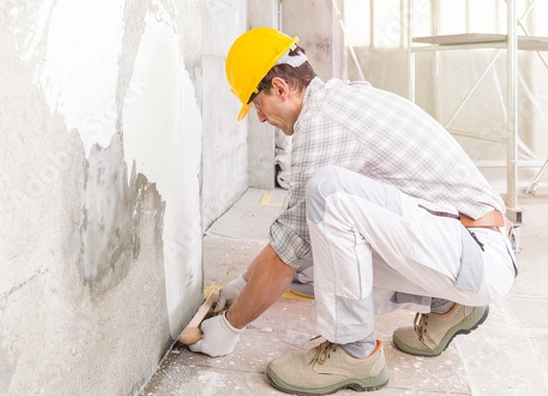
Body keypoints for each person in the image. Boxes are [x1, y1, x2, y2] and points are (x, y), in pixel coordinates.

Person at [189, 27, 518, 395]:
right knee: (310, 267)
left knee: (328, 194)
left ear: (281, 89)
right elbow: (292, 243)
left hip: (478, 257)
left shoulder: (323, 124)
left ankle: (355, 352)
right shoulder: (338, 100)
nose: (261, 118)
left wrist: (231, 326)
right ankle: (446, 305)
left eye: (257, 105)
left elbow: (285, 253)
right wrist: (241, 286)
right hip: (465, 248)